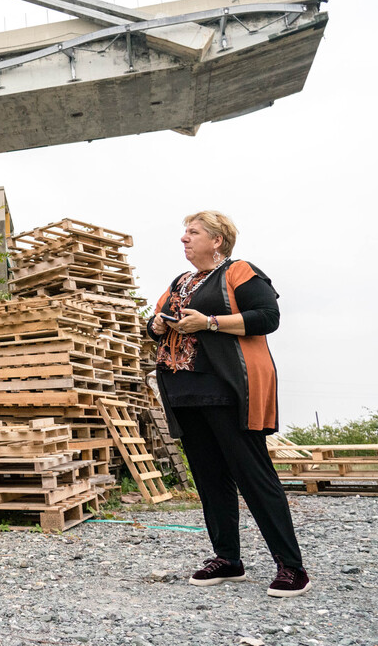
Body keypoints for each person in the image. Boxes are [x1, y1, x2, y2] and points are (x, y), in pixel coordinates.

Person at [147, 211, 311, 598]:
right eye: (183, 233)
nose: (184, 239)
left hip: (228, 389)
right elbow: (156, 321)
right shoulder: (181, 282)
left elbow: (268, 317)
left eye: (193, 232)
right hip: (184, 390)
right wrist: (154, 325)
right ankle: (228, 559)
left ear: (217, 240)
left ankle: (291, 567)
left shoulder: (239, 271)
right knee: (209, 478)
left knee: (254, 476)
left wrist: (210, 323)